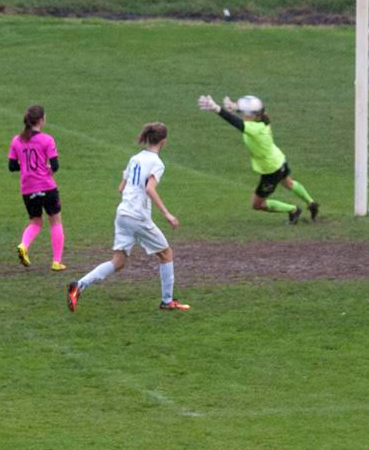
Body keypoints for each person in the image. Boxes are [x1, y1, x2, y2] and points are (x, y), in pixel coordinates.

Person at [67, 123, 189, 313]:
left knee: (118, 262)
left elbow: (121, 188)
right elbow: (149, 189)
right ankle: (167, 301)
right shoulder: (157, 163)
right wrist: (167, 214)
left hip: (123, 213)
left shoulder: (134, 158)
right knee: (166, 254)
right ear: (164, 142)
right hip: (137, 216)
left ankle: (78, 285)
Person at [197, 94, 319, 224]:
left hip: (271, 170)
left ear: (254, 116)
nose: (244, 114)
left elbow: (236, 122)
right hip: (279, 160)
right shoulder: (264, 120)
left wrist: (217, 109)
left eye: (246, 113)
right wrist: (236, 108)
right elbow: (252, 113)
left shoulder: (254, 129)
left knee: (257, 204)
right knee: (289, 183)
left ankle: (293, 210)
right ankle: (311, 202)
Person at [9, 105, 65, 271]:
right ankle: (56, 261)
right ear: (41, 120)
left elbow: (12, 166)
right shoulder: (47, 140)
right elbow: (55, 165)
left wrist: (26, 167)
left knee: (35, 222)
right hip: (47, 187)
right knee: (55, 221)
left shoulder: (16, 140)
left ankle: (24, 245)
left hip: (28, 189)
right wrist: (46, 168)